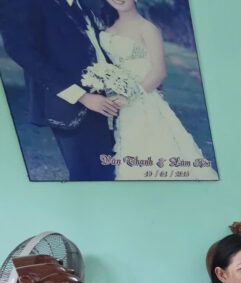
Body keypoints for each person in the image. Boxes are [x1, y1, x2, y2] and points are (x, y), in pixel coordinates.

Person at [97, 0, 217, 180]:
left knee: (152, 150)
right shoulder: (106, 26)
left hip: (141, 100)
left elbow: (159, 72)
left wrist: (128, 97)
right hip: (115, 101)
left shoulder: (147, 29)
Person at [0, 0, 119, 180]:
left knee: (109, 171)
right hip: (70, 107)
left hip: (105, 102)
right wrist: (81, 95)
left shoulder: (84, 4)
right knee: (87, 177)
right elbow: (20, 51)